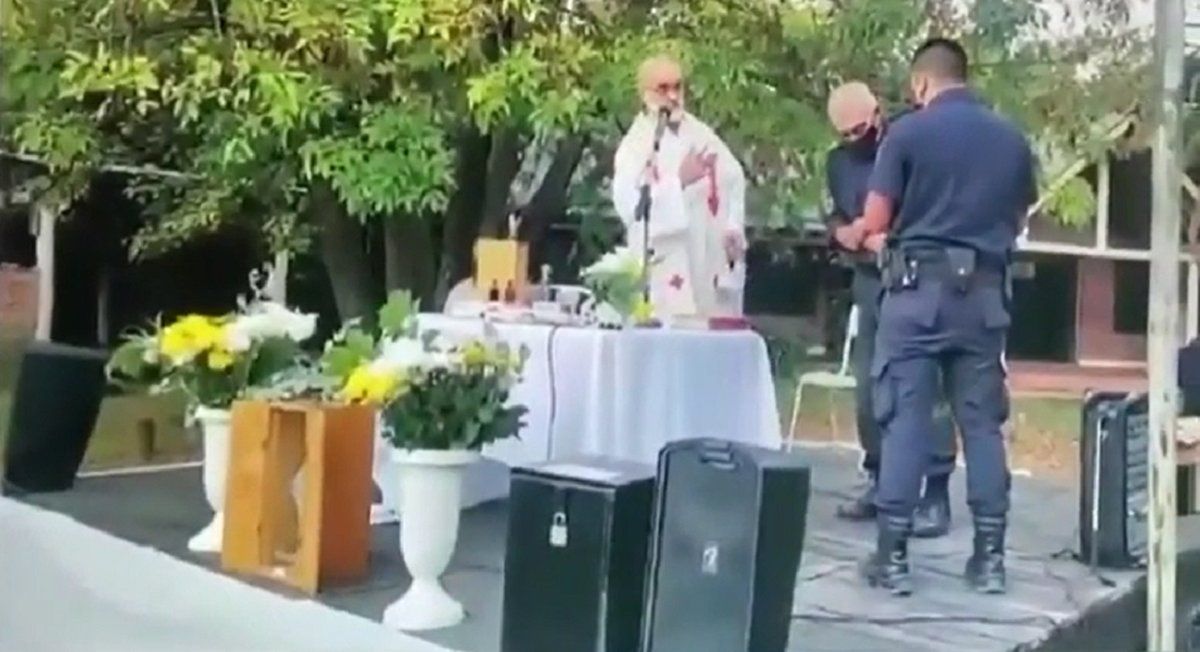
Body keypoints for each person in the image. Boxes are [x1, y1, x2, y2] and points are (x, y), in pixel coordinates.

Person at [835, 38, 1036, 596]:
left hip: (917, 293)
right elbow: (1019, 215)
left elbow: (877, 217)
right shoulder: (1012, 139)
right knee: (982, 426)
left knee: (905, 420)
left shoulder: (908, 134)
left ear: (921, 82)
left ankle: (893, 558)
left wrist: (858, 233)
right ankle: (990, 560)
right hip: (985, 297)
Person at [824, 81, 956, 539]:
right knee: (869, 386)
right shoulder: (838, 163)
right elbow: (836, 213)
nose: (853, 140)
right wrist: (841, 232)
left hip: (914, 274)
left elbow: (932, 204)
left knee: (926, 386)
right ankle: (880, 479)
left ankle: (935, 493)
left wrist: (890, 234)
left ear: (878, 114)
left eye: (860, 130)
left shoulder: (909, 141)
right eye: (845, 134)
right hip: (868, 278)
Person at [611, 55, 748, 319]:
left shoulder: (701, 134)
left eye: (678, 86)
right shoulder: (635, 146)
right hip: (666, 265)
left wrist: (733, 226)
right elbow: (630, 208)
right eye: (663, 89)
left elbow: (733, 178)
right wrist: (678, 181)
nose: (673, 96)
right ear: (645, 94)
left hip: (707, 259)